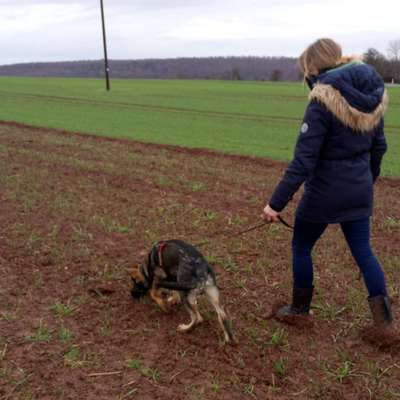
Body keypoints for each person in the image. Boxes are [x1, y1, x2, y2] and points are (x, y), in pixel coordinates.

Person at [262, 38, 397, 346]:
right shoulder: (373, 96)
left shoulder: (321, 100)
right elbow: (380, 147)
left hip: (323, 193)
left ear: (313, 66)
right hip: (360, 190)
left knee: (301, 247)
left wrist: (275, 204)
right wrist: (366, 180)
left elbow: (303, 161)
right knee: (364, 252)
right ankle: (386, 325)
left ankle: (299, 311)